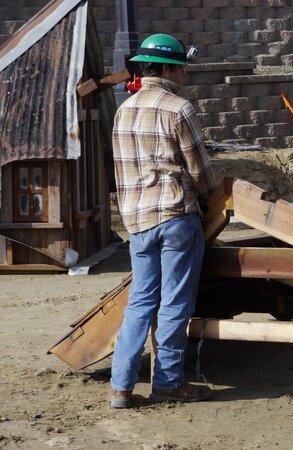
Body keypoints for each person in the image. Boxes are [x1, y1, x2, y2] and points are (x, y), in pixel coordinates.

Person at [108, 34, 216, 408]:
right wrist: (209, 197)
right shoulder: (178, 109)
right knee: (174, 303)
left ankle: (120, 387)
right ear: (169, 69)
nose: (184, 74)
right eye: (181, 68)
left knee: (139, 303)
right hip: (175, 216)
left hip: (137, 221)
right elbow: (200, 171)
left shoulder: (123, 110)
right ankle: (168, 382)